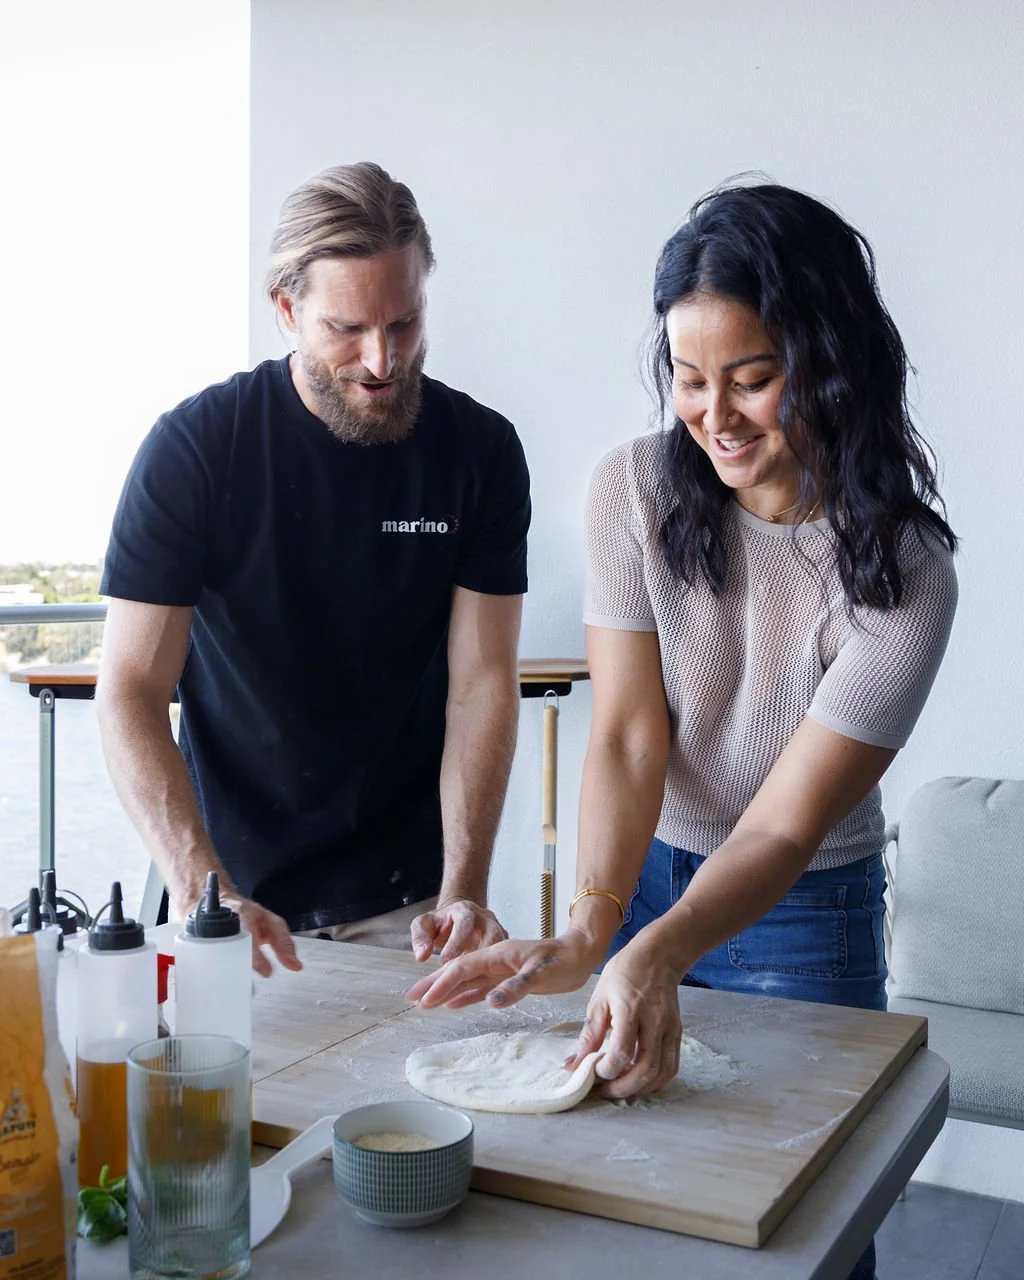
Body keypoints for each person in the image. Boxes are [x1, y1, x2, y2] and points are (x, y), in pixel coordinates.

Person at [407, 183, 957, 1280]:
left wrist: (653, 949)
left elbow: (782, 828)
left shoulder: (907, 576)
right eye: (691, 380)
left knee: (803, 1223)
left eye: (752, 378)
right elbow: (625, 736)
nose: (716, 417)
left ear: (833, 363)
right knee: (630, 1194)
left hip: (807, 914)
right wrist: (594, 926)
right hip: (646, 873)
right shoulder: (631, 489)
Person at [97, 162, 530, 977]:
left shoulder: (481, 453)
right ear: (288, 310)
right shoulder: (197, 449)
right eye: (347, 328)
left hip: (409, 903)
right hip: (225, 888)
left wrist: (463, 890)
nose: (382, 359)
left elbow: (481, 686)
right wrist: (200, 888)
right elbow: (129, 691)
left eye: (404, 322)